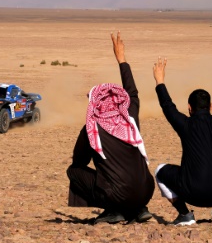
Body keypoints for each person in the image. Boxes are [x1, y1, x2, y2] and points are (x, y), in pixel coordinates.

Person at [66, 33, 156, 224]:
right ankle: (138, 209)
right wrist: (121, 59)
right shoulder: (129, 117)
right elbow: (132, 92)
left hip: (117, 194)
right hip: (146, 191)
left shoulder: (92, 128)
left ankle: (112, 210)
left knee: (74, 171)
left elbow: (79, 161)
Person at [153, 46, 212, 226]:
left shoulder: (185, 124)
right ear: (210, 106)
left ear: (189, 109)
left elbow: (167, 107)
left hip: (195, 193)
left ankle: (185, 214)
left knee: (159, 171)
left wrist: (159, 81)